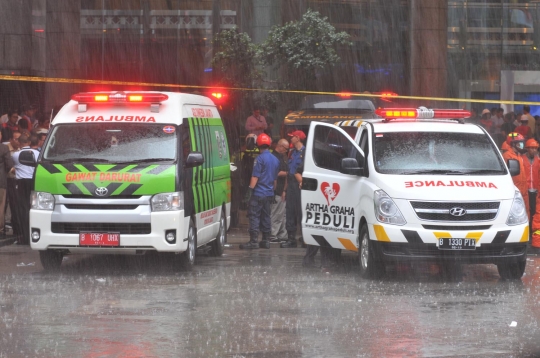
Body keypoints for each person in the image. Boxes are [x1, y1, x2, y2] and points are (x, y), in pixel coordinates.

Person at [239, 133, 279, 250]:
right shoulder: (275, 159)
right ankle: (266, 240)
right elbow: (275, 179)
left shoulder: (259, 159)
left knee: (254, 216)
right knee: (266, 216)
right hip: (269, 193)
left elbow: (255, 177)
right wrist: (273, 191)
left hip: (258, 193)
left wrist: (249, 190)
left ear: (258, 144)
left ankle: (254, 241)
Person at [12, 134, 40, 245]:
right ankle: (35, 235)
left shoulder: (15, 155)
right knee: (34, 208)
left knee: (23, 210)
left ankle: (25, 237)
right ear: (28, 142)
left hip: (21, 184)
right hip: (33, 183)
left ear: (19, 143)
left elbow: (13, 167)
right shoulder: (37, 154)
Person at [281, 130, 306, 248]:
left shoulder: (306, 153)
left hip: (300, 185)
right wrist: (285, 190)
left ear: (298, 138)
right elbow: (288, 173)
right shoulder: (291, 153)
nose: (290, 139)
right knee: (290, 211)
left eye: (292, 137)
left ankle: (305, 238)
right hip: (291, 184)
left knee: (301, 211)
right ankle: (291, 238)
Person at [503, 132, 529, 217]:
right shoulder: (507, 156)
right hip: (515, 191)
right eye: (520, 143)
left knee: (525, 214)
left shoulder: (519, 156)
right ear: (514, 144)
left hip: (523, 191)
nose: (522, 145)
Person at [269, 138, 289, 244]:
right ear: (280, 146)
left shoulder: (281, 157)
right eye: (286, 148)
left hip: (281, 189)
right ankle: (273, 234)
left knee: (282, 213)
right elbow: (274, 173)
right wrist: (287, 173)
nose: (286, 151)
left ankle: (282, 234)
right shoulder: (274, 157)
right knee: (276, 213)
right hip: (277, 190)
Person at [6, 131, 21, 239]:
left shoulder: (21, 150)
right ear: (11, 139)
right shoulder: (6, 149)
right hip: (7, 179)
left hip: (17, 180)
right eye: (16, 139)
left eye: (19, 139)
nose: (18, 141)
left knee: (15, 203)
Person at [0, 132, 14, 238]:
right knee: (1, 205)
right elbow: (9, 164)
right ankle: (0, 230)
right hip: (1, 181)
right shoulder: (4, 148)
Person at [523, 139, 540, 220]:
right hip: (524, 190)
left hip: (535, 190)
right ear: (527, 148)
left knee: (533, 210)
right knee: (525, 210)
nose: (534, 150)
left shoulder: (538, 160)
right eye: (532, 148)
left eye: (535, 148)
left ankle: (531, 228)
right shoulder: (521, 159)